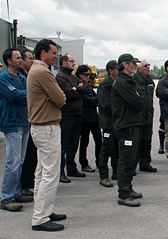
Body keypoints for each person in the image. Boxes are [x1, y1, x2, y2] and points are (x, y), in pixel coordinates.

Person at [27, 39, 66, 231]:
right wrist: (56, 97)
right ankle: (41, 217)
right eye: (53, 53)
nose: (56, 56)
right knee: (50, 173)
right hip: (47, 126)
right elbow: (61, 98)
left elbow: (57, 97)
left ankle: (43, 210)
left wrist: (55, 97)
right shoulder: (43, 72)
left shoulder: (36, 70)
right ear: (43, 53)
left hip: (41, 127)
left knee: (42, 172)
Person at [0, 48, 33, 212]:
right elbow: (19, 95)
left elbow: (24, 96)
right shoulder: (2, 78)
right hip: (12, 123)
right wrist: (21, 95)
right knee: (13, 161)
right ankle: (7, 198)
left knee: (21, 159)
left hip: (24, 122)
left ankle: (16, 192)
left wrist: (20, 95)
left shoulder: (22, 77)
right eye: (18, 57)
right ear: (9, 61)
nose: (21, 60)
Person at [112, 53, 145, 207]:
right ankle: (123, 194)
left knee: (131, 159)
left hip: (131, 124)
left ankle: (128, 188)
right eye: (133, 63)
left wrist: (139, 97)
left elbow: (139, 99)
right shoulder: (122, 83)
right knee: (125, 159)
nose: (135, 65)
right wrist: (138, 97)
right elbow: (138, 103)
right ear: (125, 64)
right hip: (126, 126)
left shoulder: (127, 81)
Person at [56, 54, 89, 182]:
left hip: (77, 114)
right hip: (67, 114)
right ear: (64, 63)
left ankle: (71, 168)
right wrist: (78, 89)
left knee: (74, 143)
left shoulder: (73, 77)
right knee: (64, 144)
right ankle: (60, 171)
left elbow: (86, 88)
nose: (74, 64)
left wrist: (79, 88)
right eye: (71, 61)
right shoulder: (60, 77)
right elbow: (69, 93)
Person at [97, 60, 119, 187]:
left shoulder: (115, 84)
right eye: (117, 69)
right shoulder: (104, 85)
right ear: (111, 71)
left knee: (117, 148)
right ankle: (103, 175)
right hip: (108, 123)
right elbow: (106, 106)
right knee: (106, 149)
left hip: (116, 122)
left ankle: (115, 171)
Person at [132, 60, 157, 172]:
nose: (148, 67)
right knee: (136, 143)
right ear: (139, 68)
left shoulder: (150, 80)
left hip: (148, 116)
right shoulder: (133, 81)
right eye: (145, 66)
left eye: (148, 65)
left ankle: (145, 163)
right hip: (137, 118)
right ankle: (132, 166)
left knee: (147, 141)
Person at [76, 65, 102, 173]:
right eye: (85, 74)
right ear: (79, 75)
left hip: (93, 116)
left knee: (99, 140)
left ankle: (99, 161)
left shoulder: (88, 85)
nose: (87, 76)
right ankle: (84, 163)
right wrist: (94, 101)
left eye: (89, 74)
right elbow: (86, 99)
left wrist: (94, 101)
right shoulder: (79, 85)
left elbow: (96, 98)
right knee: (84, 142)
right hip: (84, 117)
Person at [19, 48, 37, 197]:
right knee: (21, 156)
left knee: (31, 153)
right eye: (29, 58)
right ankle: (23, 184)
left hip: (30, 119)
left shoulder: (28, 75)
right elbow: (15, 94)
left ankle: (29, 181)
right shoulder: (17, 76)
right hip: (21, 120)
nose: (32, 61)